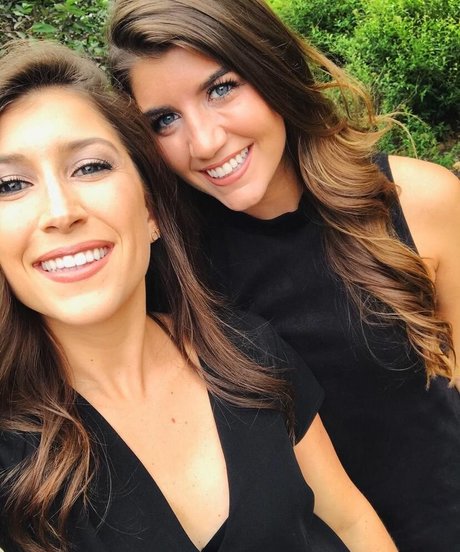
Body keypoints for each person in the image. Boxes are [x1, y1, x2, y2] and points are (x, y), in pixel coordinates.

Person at [0, 40, 398, 552]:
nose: (61, 212)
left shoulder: (249, 351)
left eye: (90, 167)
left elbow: (351, 522)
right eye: (10, 185)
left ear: (150, 211)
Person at [107, 1, 460, 550]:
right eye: (164, 120)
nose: (205, 141)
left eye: (221, 88)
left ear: (272, 68)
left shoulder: (418, 201)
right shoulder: (165, 278)